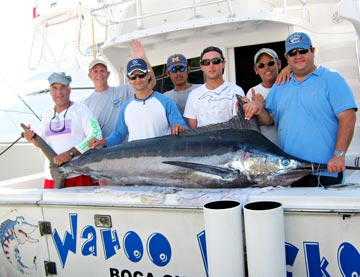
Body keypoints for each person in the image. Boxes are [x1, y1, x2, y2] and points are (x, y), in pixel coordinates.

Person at [244, 32, 357, 187]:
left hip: (326, 171)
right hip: (291, 174)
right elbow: (269, 118)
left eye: (302, 50)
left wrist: (339, 155)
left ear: (313, 51)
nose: (298, 56)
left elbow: (348, 117)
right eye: (292, 53)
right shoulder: (280, 84)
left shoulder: (332, 78)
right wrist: (256, 109)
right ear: (287, 57)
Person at [23, 72, 102, 189]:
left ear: (69, 89)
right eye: (54, 88)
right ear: (50, 91)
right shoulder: (47, 114)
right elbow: (42, 143)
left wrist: (70, 154)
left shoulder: (81, 109)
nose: (59, 92)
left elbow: (96, 135)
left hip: (78, 175)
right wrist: (31, 138)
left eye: (62, 88)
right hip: (52, 177)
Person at [89, 58, 188, 148]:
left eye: (141, 75)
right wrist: (101, 142)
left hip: (160, 160)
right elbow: (118, 135)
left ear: (148, 76)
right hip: (135, 162)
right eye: (133, 76)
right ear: (129, 80)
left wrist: (179, 127)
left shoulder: (165, 101)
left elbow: (182, 126)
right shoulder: (125, 107)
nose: (138, 79)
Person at [83, 40, 156, 137]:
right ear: (90, 76)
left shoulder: (123, 90)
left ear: (108, 74)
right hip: (105, 150)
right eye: (95, 71)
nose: (99, 74)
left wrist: (144, 60)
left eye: (102, 71)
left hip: (128, 147)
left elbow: (150, 83)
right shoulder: (86, 104)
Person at [183, 46, 245, 128]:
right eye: (206, 62)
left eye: (216, 61)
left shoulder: (235, 91)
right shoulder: (194, 95)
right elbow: (193, 129)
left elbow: (240, 124)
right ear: (202, 66)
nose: (211, 65)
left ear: (223, 63)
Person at [246, 48, 282, 145]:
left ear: (278, 64)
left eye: (270, 63)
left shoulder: (288, 87)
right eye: (261, 65)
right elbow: (249, 124)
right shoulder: (252, 92)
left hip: (287, 147)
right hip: (264, 149)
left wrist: (262, 107)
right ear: (256, 70)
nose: (266, 67)